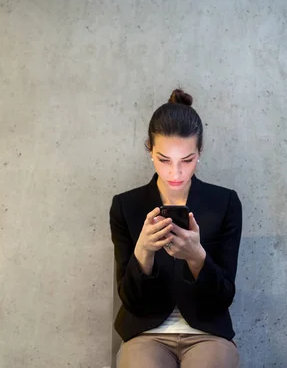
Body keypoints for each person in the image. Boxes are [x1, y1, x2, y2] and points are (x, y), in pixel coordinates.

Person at [109, 89, 243, 368]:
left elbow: (224, 296)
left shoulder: (224, 203)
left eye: (187, 160)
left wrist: (197, 257)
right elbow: (131, 300)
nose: (175, 173)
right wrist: (143, 251)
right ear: (149, 150)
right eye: (164, 159)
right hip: (145, 333)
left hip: (208, 333)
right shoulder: (127, 206)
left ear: (200, 152)